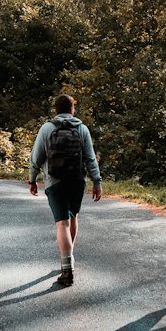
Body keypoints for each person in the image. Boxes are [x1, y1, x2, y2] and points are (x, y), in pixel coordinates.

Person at [29, 93, 102, 286]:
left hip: (55, 182)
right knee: (73, 218)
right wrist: (97, 182)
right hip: (77, 181)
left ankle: (67, 269)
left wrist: (32, 179)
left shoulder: (46, 128)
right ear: (72, 110)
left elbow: (36, 157)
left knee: (62, 224)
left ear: (55, 110)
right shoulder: (82, 129)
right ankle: (70, 258)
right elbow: (90, 158)